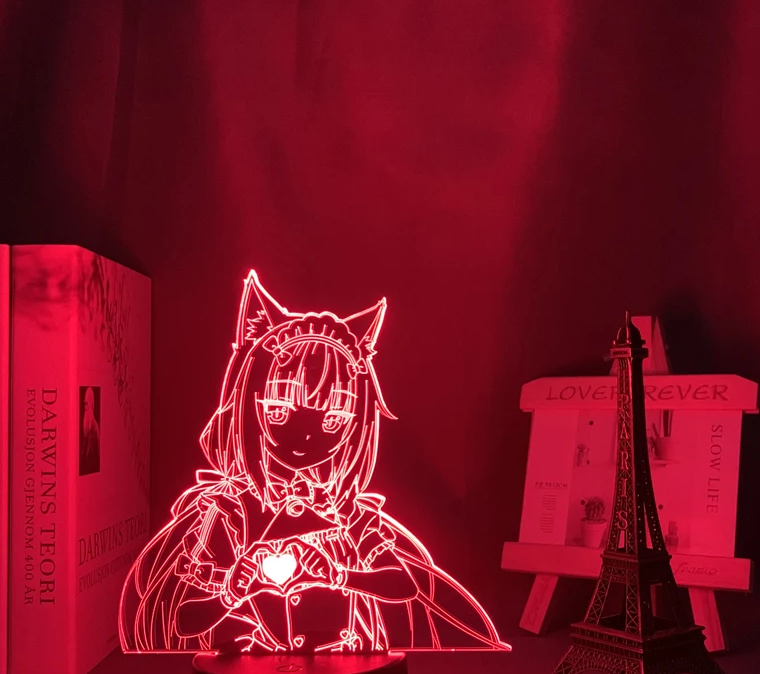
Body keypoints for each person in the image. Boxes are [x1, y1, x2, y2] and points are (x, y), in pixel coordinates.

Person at [119, 271, 507, 654]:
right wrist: (232, 591)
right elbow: (185, 619)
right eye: (279, 412)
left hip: (344, 670)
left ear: (355, 424)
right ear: (249, 408)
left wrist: (339, 575)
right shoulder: (233, 512)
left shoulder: (348, 513)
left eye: (333, 420)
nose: (305, 439)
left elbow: (403, 583)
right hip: (258, 672)